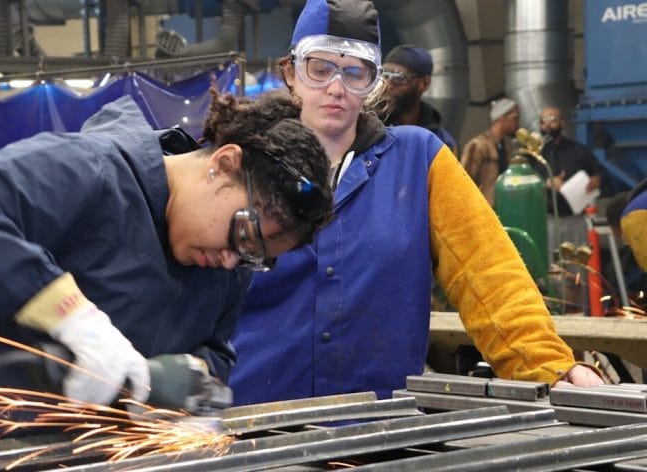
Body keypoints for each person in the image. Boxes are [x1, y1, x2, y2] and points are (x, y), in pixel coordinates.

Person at [0, 90, 334, 450]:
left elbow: (215, 352)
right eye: (244, 236)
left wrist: (175, 381)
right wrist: (71, 317)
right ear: (223, 163)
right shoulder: (89, 171)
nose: (234, 260)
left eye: (256, 257)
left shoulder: (227, 261)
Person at [228, 0, 602, 406]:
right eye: (319, 69)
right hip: (251, 423)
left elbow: (488, 272)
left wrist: (550, 367)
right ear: (290, 72)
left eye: (355, 73)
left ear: (374, 83)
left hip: (380, 426)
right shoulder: (240, 162)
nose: (335, 87)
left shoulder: (420, 160)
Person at [534, 106, 603, 257]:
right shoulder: (534, 155)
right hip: (548, 220)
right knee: (552, 265)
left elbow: (599, 173)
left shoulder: (579, 151)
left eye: (552, 120)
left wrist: (595, 180)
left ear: (562, 123)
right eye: (543, 121)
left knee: (578, 263)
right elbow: (527, 181)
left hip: (576, 219)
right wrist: (548, 182)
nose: (548, 125)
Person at [382, 44, 458, 153]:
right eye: (384, 75)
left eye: (399, 77)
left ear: (424, 84)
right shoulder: (368, 130)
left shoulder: (440, 143)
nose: (388, 85)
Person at [459, 97, 520, 206]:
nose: (517, 123)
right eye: (515, 118)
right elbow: (463, 181)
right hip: (482, 209)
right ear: (501, 118)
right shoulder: (478, 145)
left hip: (502, 208)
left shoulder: (506, 146)